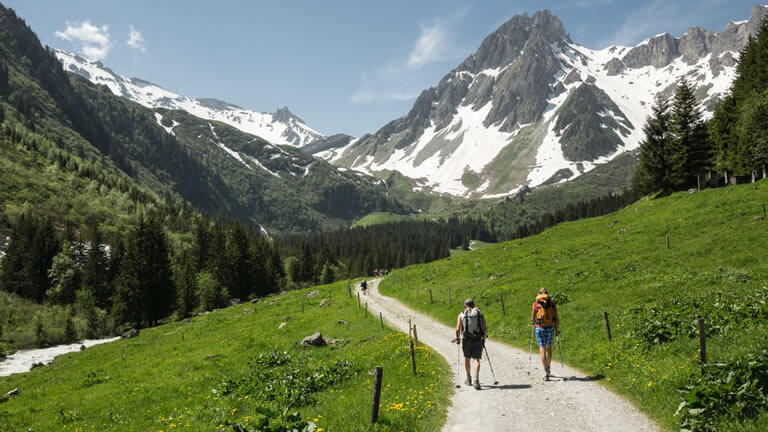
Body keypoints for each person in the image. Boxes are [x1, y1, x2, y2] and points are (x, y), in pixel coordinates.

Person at [455, 298, 488, 389]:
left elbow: (458, 329)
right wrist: (484, 339)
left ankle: (469, 378)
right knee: (476, 360)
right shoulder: (480, 314)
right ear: (473, 305)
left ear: (465, 306)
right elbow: (485, 329)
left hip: (466, 339)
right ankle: (476, 380)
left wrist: (458, 339)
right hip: (477, 339)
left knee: (467, 358)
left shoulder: (461, 314)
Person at [531, 288, 559, 380]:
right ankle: (549, 367)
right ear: (547, 294)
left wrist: (532, 322)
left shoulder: (536, 304)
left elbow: (532, 319)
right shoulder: (552, 303)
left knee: (542, 349)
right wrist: (556, 330)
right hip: (550, 328)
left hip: (540, 328)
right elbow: (556, 318)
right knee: (548, 348)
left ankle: (546, 370)